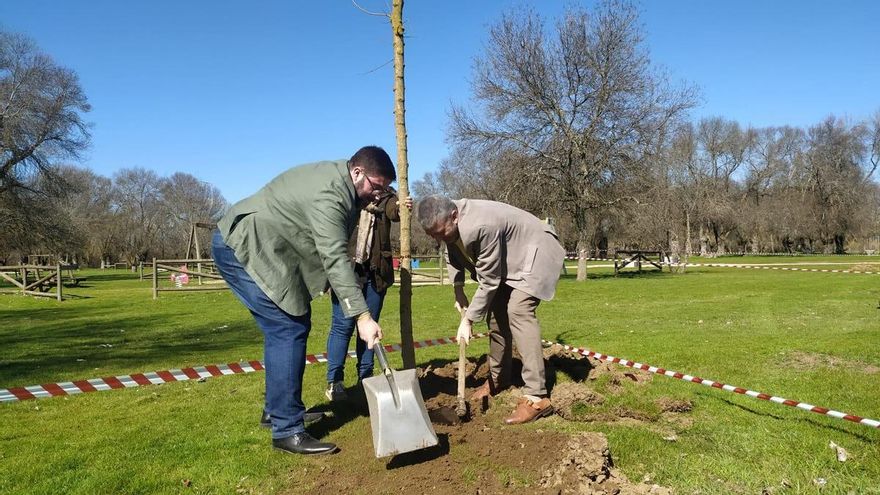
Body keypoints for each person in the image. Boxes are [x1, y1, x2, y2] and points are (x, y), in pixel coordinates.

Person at [211, 145, 395, 456]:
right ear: (357, 172)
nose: (378, 195)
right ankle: (287, 429)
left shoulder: (344, 186)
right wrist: (363, 317)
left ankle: (278, 411)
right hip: (242, 245)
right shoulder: (331, 194)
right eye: (376, 187)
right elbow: (334, 256)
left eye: (384, 190)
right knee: (287, 327)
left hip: (264, 247)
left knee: (291, 323)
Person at [416, 195, 565, 425]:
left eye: (440, 232)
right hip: (511, 259)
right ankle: (498, 380)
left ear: (454, 216)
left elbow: (489, 280)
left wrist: (468, 320)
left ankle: (537, 396)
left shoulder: (481, 225)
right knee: (496, 315)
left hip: (536, 251)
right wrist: (458, 289)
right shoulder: (449, 224)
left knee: (518, 310)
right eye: (432, 235)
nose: (438, 239)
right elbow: (451, 250)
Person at [324, 189, 412, 401]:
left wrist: (403, 207)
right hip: (347, 272)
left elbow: (394, 212)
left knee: (370, 328)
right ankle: (335, 381)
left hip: (375, 274)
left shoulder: (388, 198)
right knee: (342, 327)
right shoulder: (349, 196)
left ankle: (365, 377)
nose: (379, 187)